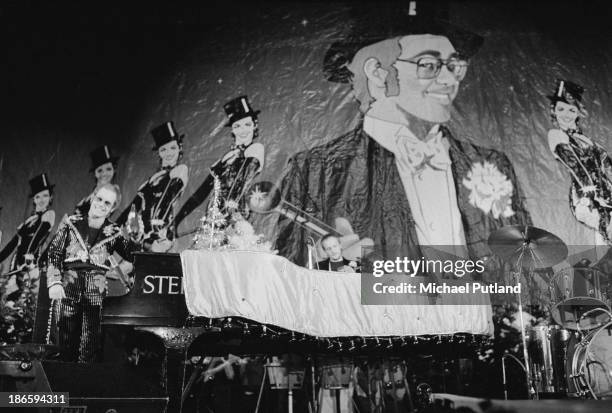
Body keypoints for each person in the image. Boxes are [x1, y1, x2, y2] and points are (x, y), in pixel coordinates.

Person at [279, 6, 531, 270]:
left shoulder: (492, 166)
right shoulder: (316, 171)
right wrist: (329, 267)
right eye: (429, 65)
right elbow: (291, 283)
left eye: (454, 65)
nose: (448, 80)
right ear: (377, 72)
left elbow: (527, 270)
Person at [44, 183, 142, 362]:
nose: (101, 204)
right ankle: (61, 385)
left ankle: (82, 388)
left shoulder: (115, 232)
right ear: (92, 197)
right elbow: (54, 253)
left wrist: (136, 238)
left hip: (95, 291)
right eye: (99, 199)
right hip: (68, 286)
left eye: (107, 203)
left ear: (112, 208)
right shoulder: (70, 223)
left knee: (90, 344)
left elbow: (134, 256)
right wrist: (54, 281)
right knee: (63, 342)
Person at [174, 95, 264, 227]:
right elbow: (200, 194)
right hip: (215, 222)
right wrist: (176, 222)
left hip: (238, 221)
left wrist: (229, 212)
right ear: (232, 129)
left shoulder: (255, 149)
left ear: (254, 125)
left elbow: (243, 180)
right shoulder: (222, 162)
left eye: (247, 124)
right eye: (237, 126)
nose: (243, 130)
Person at [546, 80, 612, 244]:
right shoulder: (556, 135)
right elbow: (574, 164)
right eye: (561, 109)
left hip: (605, 196)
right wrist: (590, 189)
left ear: (577, 113)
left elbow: (606, 162)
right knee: (606, 228)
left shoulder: (584, 139)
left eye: (571, 109)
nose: (566, 114)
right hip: (585, 198)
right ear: (554, 110)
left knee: (604, 241)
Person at [0, 173, 55, 344]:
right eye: (38, 196)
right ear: (34, 199)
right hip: (16, 264)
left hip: (30, 266)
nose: (41, 199)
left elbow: (37, 238)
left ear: (50, 197)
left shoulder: (49, 215)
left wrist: (28, 260)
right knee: (10, 302)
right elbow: (12, 244)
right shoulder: (28, 220)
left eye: (45, 195)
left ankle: (22, 343)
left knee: (25, 301)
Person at [118, 121, 189, 251]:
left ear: (180, 148)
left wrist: (163, 232)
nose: (169, 153)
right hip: (144, 238)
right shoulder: (150, 182)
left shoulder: (180, 171)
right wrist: (125, 229)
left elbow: (167, 201)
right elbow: (132, 208)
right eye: (163, 149)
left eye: (173, 148)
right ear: (159, 153)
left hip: (163, 238)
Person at [75, 145, 120, 217]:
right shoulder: (89, 197)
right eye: (100, 170)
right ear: (95, 174)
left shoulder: (116, 193)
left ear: (114, 170)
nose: (104, 174)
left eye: (108, 169)